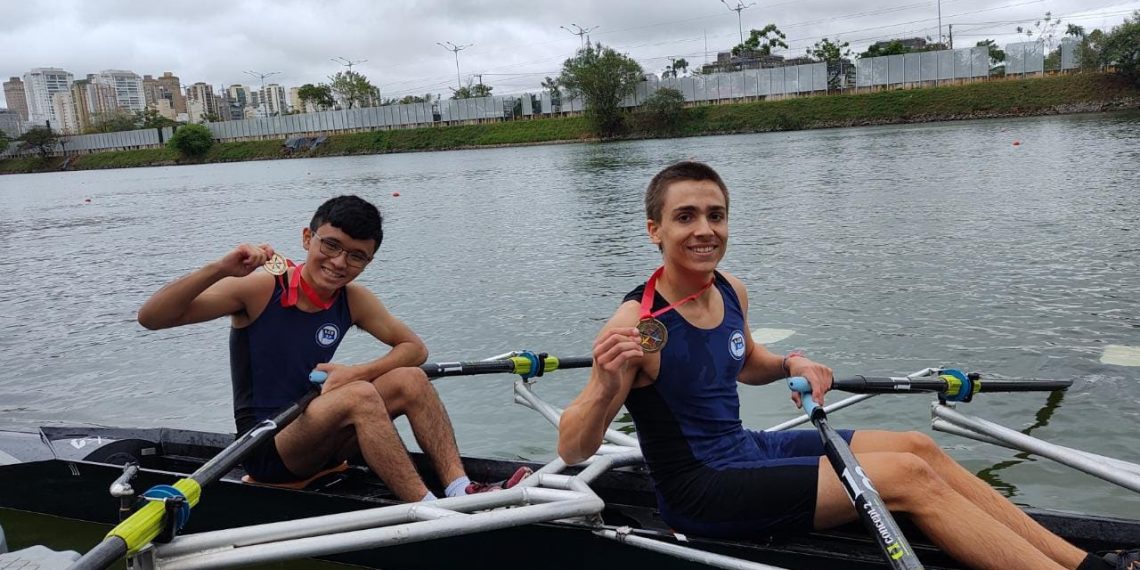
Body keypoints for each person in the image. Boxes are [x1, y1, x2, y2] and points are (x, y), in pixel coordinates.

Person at [557, 162, 1134, 570]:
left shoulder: (729, 288)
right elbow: (574, 447)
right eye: (686, 217)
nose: (705, 230)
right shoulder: (635, 326)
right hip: (700, 490)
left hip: (745, 448)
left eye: (716, 215)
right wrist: (605, 385)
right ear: (655, 230)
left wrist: (791, 361)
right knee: (905, 478)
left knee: (918, 447)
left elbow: (744, 360)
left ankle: (1087, 564)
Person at [139, 195, 527, 502]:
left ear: (368, 261)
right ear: (307, 239)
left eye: (356, 256)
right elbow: (152, 318)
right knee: (359, 396)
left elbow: (414, 348)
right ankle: (429, 508)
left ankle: (460, 489)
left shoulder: (352, 300)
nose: (340, 263)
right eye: (331, 245)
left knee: (410, 379)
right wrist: (220, 269)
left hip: (319, 436)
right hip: (265, 447)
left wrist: (357, 372)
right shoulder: (260, 289)